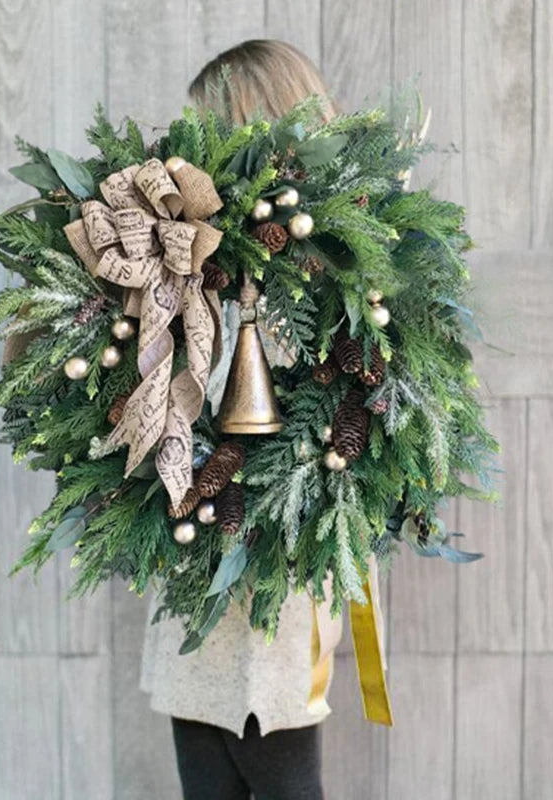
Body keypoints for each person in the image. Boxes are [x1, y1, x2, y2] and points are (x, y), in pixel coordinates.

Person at [139, 39, 345, 800]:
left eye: (207, 133)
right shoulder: (204, 264)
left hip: (269, 606)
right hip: (198, 594)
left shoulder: (313, 278)